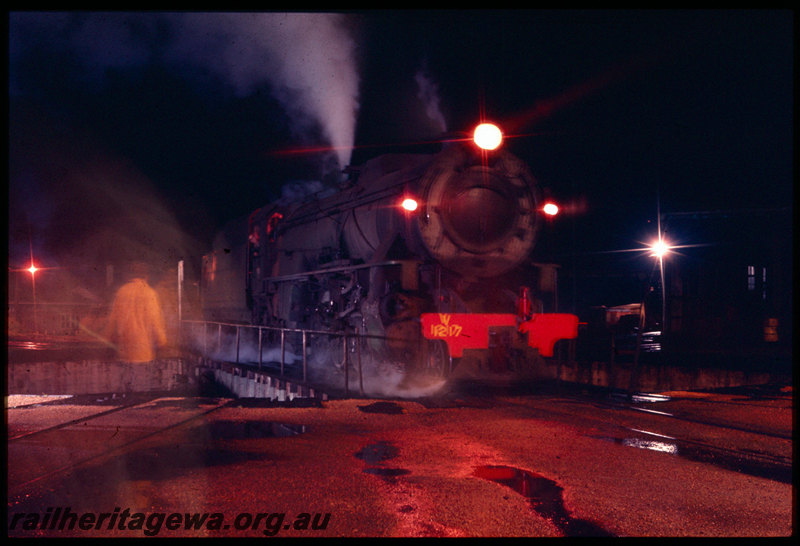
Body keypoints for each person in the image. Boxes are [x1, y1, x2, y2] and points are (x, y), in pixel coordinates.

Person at [104, 262, 167, 363]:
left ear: (128, 276)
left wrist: (107, 340)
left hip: (124, 352)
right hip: (143, 353)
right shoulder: (150, 293)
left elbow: (112, 321)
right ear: (146, 276)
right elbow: (155, 321)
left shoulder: (122, 292)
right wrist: (162, 341)